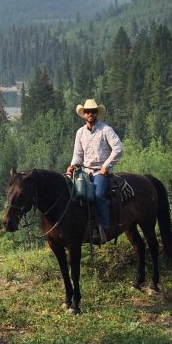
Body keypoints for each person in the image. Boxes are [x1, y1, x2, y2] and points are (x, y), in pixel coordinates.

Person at [65, 98, 123, 239]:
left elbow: (118, 149)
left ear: (97, 113)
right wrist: (72, 166)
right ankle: (79, 227)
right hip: (84, 171)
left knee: (98, 195)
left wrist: (106, 167)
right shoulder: (80, 133)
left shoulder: (106, 130)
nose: (90, 113)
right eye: (87, 111)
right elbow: (78, 154)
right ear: (84, 114)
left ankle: (104, 228)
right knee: (72, 194)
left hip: (101, 171)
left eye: (93, 111)